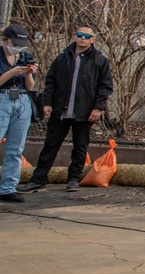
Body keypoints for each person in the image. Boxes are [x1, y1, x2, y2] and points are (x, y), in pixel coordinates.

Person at [20, 25, 113, 193]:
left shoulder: (100, 61)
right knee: (50, 145)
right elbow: (51, 82)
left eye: (86, 36)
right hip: (60, 111)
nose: (82, 38)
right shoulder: (63, 58)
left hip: (84, 112)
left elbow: (105, 87)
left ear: (93, 40)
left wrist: (98, 108)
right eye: (79, 35)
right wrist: (47, 103)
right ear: (74, 37)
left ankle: (73, 179)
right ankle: (38, 179)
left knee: (80, 146)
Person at [0, 25, 39, 202]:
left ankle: (8, 187)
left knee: (16, 148)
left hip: (22, 100)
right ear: (4, 40)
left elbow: (30, 87)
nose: (17, 47)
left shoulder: (24, 57)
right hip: (2, 98)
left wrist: (29, 74)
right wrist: (11, 73)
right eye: (14, 43)